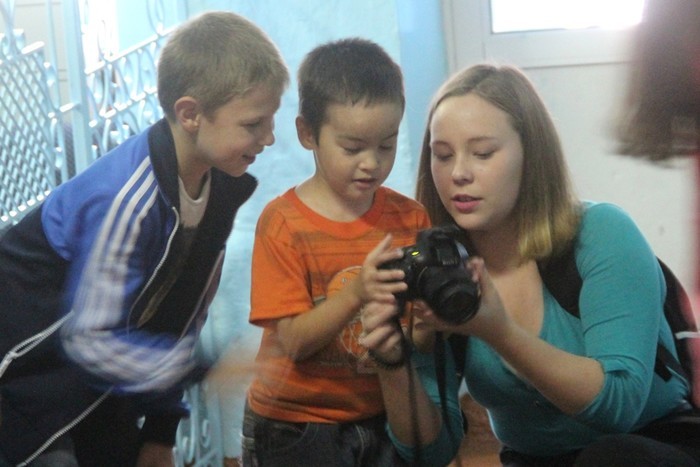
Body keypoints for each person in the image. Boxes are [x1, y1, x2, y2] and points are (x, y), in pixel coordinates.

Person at [360, 63, 700, 466]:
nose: (459, 173)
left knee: (610, 457)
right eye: (443, 155)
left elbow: (618, 406)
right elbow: (430, 453)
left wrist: (500, 332)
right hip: (532, 458)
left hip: (651, 445)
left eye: (483, 153)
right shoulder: (441, 271)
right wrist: (392, 364)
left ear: (531, 156)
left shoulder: (601, 232)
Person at [0, 11, 289, 467]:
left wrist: (161, 431)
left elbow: (181, 315)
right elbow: (90, 341)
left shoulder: (219, 191)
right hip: (22, 384)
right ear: (190, 114)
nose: (269, 138)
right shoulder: (126, 199)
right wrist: (207, 368)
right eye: (254, 124)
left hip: (89, 385)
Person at [241, 38, 438, 466]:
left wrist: (432, 320)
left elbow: (418, 341)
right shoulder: (283, 223)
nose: (371, 163)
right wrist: (356, 294)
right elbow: (294, 342)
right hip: (294, 424)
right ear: (307, 134)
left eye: (386, 145)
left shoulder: (411, 219)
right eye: (352, 148)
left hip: (381, 415)